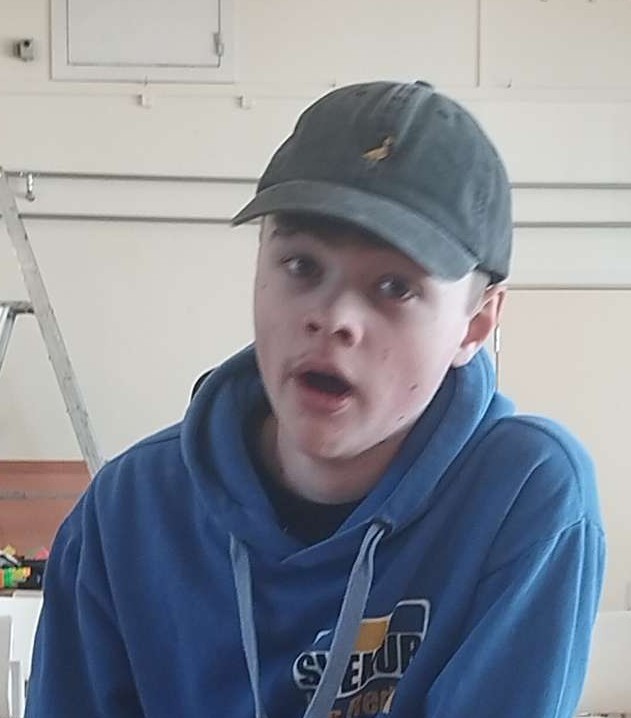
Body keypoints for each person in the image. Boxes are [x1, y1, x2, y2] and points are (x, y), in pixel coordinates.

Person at [26, 80, 605, 718]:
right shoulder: (128, 512)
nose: (333, 318)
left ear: (475, 325)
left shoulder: (523, 496)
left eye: (395, 286)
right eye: (302, 265)